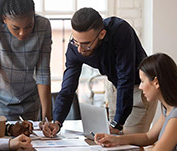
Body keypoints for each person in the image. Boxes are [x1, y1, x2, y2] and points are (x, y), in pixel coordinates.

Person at [41, 7, 157, 137]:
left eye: (86, 44)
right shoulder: (75, 48)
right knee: (112, 141)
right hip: (115, 86)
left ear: (102, 34)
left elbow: (126, 77)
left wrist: (117, 124)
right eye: (76, 41)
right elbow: (67, 88)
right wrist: (57, 122)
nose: (80, 49)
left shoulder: (120, 31)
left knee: (131, 142)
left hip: (139, 88)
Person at [0, 0, 52, 122]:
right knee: (4, 139)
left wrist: (47, 118)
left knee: (32, 138)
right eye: (16, 28)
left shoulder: (43, 26)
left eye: (29, 26)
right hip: (0, 100)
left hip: (31, 98)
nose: (22, 33)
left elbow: (43, 72)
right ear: (4, 19)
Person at [95, 53, 177, 150]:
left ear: (156, 82)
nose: (140, 87)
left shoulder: (175, 116)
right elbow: (148, 137)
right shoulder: (167, 108)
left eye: (142, 81)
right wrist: (115, 139)